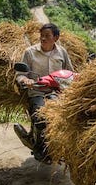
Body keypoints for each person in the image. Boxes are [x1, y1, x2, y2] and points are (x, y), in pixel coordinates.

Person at [15, 23, 73, 162]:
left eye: (47, 36)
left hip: (58, 93)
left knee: (68, 119)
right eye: (42, 36)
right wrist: (25, 80)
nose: (43, 39)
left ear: (56, 38)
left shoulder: (62, 52)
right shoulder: (30, 52)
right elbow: (20, 74)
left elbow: (69, 72)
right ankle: (38, 146)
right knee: (41, 118)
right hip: (37, 92)